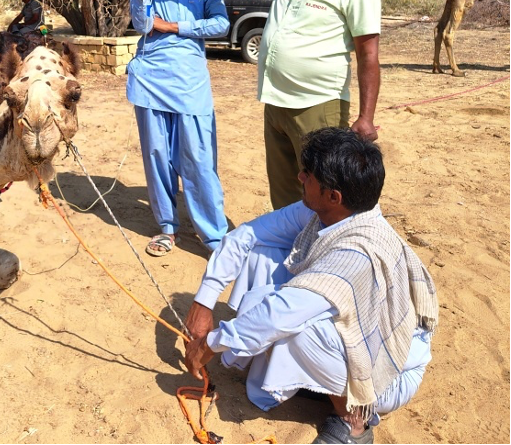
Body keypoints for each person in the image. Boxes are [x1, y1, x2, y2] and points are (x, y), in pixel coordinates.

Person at [183, 127, 437, 445]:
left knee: (297, 330)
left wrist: (210, 343)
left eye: (308, 175)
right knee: (261, 254)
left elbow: (280, 314)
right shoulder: (331, 210)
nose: (301, 178)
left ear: (334, 196)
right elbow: (245, 237)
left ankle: (354, 422)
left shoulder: (357, 252)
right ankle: (303, 375)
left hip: (388, 376)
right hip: (358, 336)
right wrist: (203, 303)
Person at [175, 0, 381, 210]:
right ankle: (290, 249)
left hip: (318, 106)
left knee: (324, 193)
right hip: (276, 104)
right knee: (285, 190)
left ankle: (321, 254)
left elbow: (368, 54)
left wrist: (366, 117)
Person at [126, 0, 230, 257]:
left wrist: (175, 27)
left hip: (190, 80)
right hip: (152, 77)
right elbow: (141, 25)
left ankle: (215, 237)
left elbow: (221, 25)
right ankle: (167, 228)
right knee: (157, 155)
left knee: (199, 159)